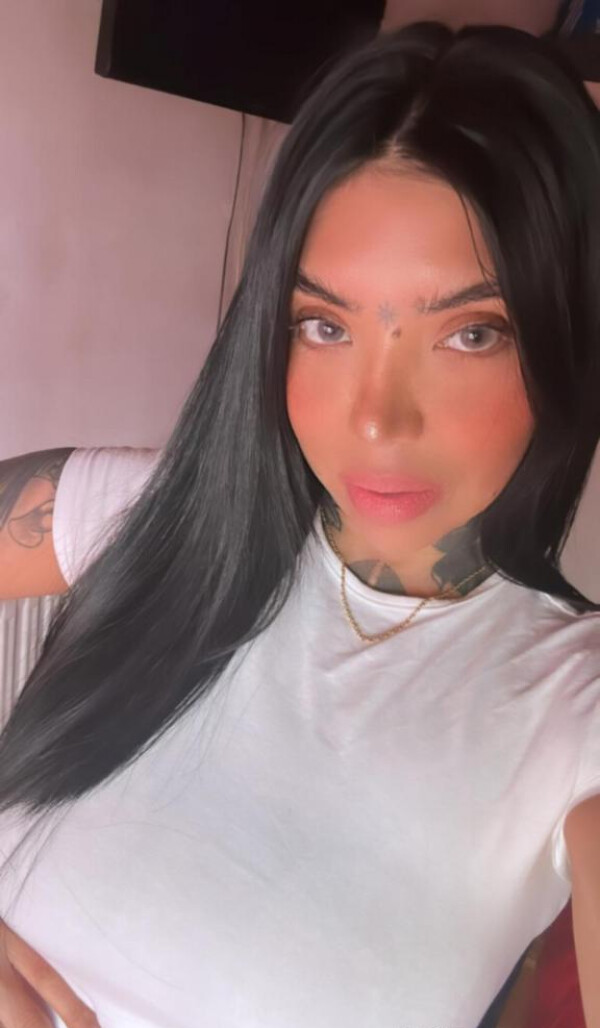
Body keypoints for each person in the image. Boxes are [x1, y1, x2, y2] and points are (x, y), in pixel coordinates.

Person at [0, 19, 599, 1028]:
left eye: (471, 334)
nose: (376, 419)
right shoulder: (146, 517)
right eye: (324, 325)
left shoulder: (571, 705)